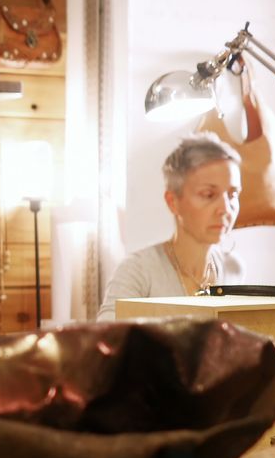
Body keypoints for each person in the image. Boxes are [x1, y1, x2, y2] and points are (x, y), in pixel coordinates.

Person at [97, 132, 243, 320]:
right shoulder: (138, 272)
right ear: (173, 202)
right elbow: (105, 339)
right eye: (208, 194)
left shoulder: (233, 269)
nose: (225, 209)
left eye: (233, 195)